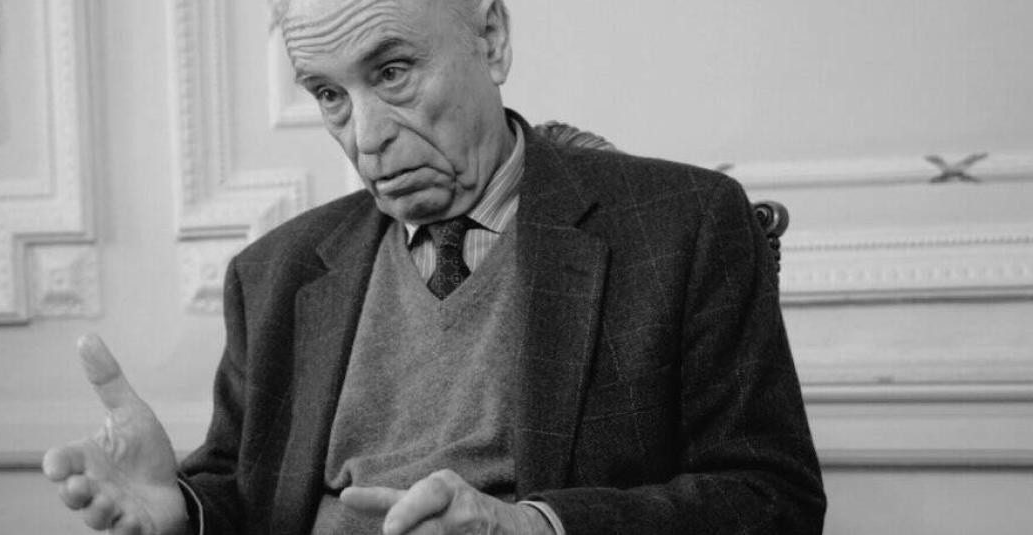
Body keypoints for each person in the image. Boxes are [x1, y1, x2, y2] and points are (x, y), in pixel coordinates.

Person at [42, 0, 827, 533]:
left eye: (392, 72)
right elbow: (243, 495)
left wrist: (535, 526)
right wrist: (182, 510)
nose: (367, 137)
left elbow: (772, 499)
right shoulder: (276, 274)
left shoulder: (681, 224)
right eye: (329, 94)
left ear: (491, 37)